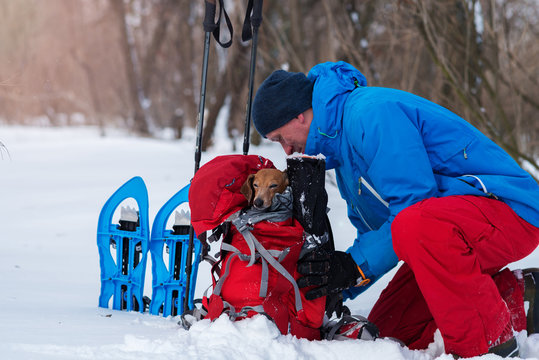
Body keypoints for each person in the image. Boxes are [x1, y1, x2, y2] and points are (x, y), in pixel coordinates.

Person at [251, 61, 539, 358]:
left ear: (298, 115)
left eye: (280, 138)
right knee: (392, 329)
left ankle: (487, 346)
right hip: (450, 229)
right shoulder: (342, 152)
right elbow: (377, 232)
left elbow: (414, 205)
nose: (286, 150)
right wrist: (340, 282)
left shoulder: (369, 114)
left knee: (414, 225)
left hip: (507, 210)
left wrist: (354, 267)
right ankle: (520, 297)